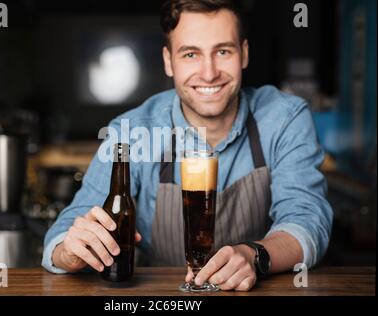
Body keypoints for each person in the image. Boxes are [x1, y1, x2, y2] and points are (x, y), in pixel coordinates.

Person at [42, 0, 333, 291]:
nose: (209, 73)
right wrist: (69, 250)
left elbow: (307, 219)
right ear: (169, 61)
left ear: (244, 53)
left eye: (222, 51)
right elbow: (64, 231)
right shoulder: (129, 132)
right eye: (191, 54)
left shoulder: (285, 118)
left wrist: (255, 255)